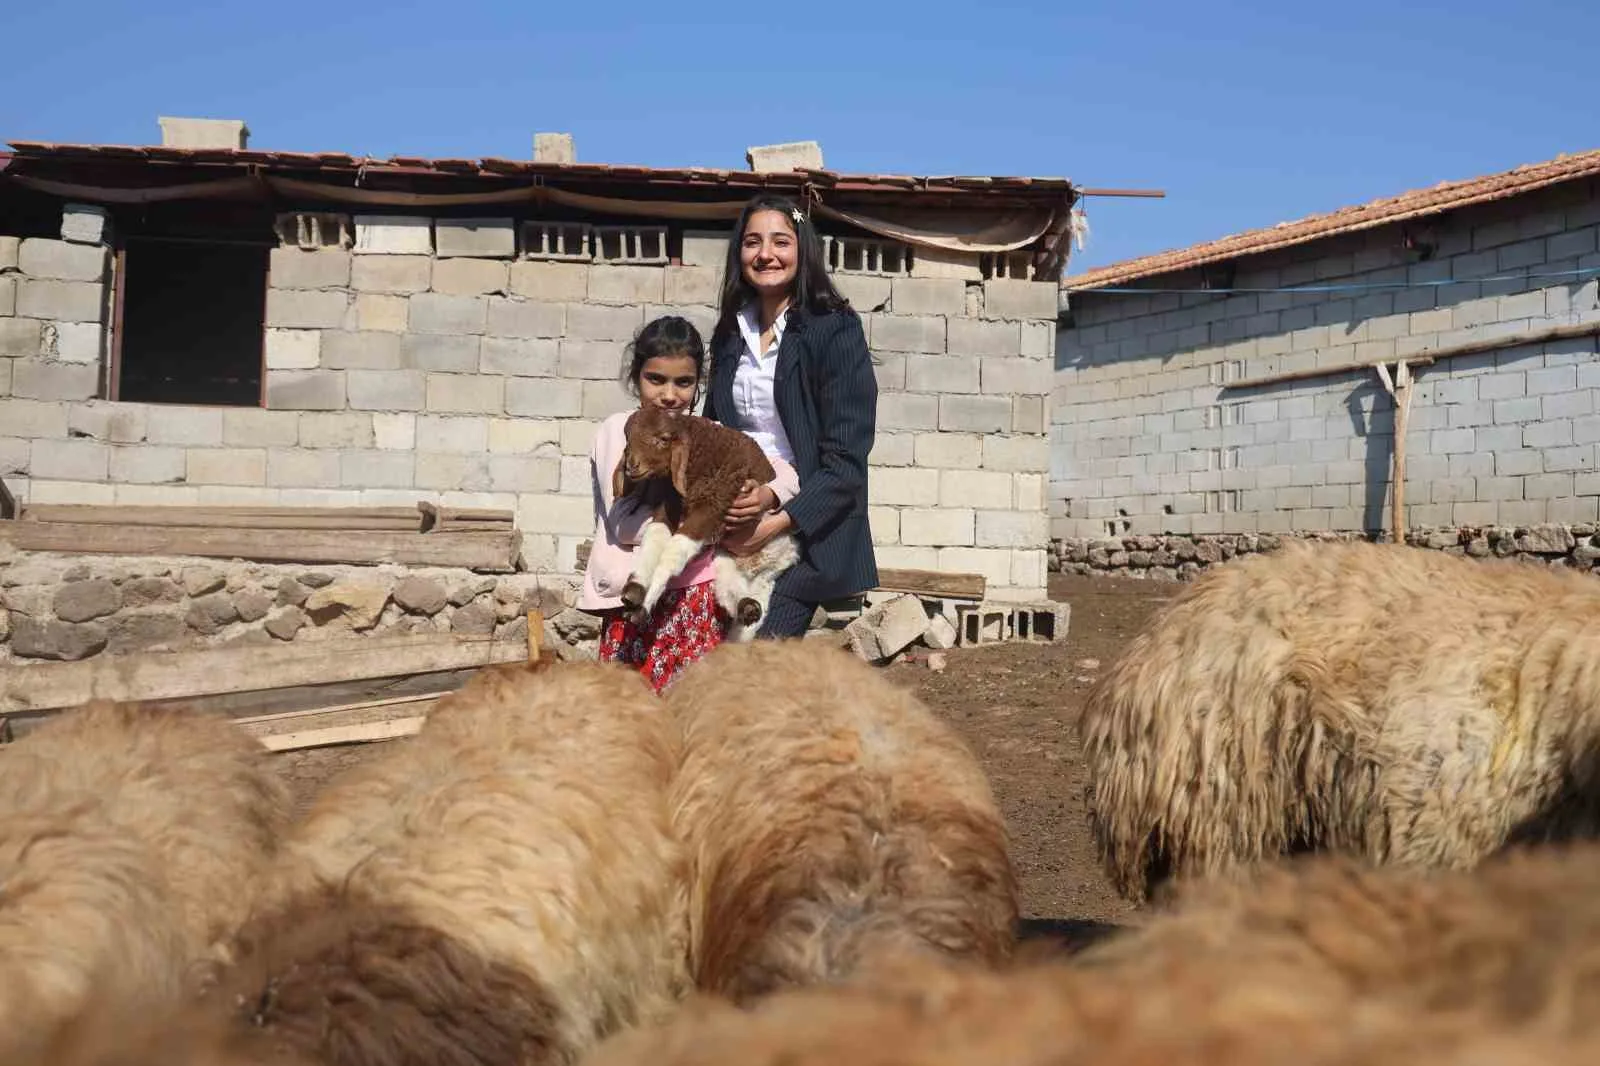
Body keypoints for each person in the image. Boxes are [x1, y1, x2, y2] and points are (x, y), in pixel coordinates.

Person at [579, 314, 799, 693]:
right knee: (630, 718)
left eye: (683, 382)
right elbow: (624, 523)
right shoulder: (622, 429)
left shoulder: (706, 434)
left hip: (698, 600)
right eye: (656, 380)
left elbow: (788, 474)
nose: (669, 394)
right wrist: (708, 528)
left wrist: (765, 495)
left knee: (697, 714)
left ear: (698, 385)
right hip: (636, 602)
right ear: (636, 379)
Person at [703, 193, 880, 639]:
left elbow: (845, 464)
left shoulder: (833, 329)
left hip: (804, 535)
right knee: (702, 668)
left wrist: (769, 524)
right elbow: (711, 433)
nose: (765, 254)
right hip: (731, 524)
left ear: (802, 248)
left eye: (780, 241)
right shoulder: (730, 333)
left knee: (757, 668)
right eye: (752, 242)